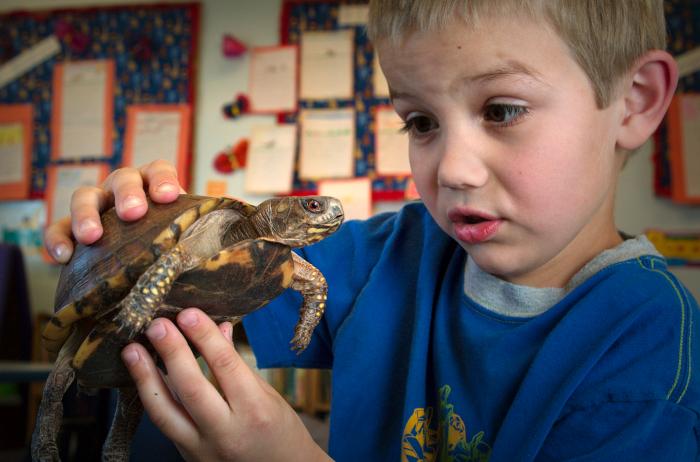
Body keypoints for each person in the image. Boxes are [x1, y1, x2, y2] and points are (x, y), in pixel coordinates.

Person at [45, 0, 700, 460]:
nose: (453, 168)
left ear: (635, 101)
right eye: (420, 122)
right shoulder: (382, 259)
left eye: (501, 110)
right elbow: (173, 305)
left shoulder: (645, 343)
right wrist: (122, 236)